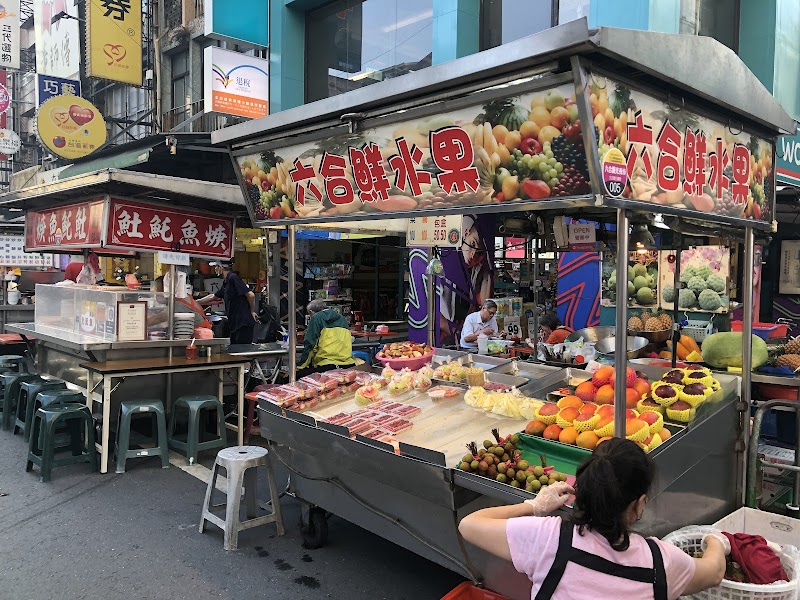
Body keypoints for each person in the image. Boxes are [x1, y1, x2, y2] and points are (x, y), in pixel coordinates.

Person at [458, 438, 728, 600]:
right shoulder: (662, 562)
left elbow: (469, 525)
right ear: (638, 504)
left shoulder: (547, 538)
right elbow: (714, 572)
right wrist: (715, 540)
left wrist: (535, 506)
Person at [198, 260, 258, 344]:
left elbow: (251, 295)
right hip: (235, 323)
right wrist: (196, 302)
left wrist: (251, 311)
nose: (215, 269)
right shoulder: (226, 282)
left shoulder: (233, 277)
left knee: (242, 351)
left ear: (221, 267)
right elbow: (213, 296)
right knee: (235, 349)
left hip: (242, 323)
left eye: (216, 266)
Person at [297, 299, 355, 376]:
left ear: (311, 312)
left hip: (326, 366)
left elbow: (310, 346)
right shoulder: (342, 319)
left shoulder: (316, 318)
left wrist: (299, 367)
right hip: (348, 365)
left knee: (290, 378)